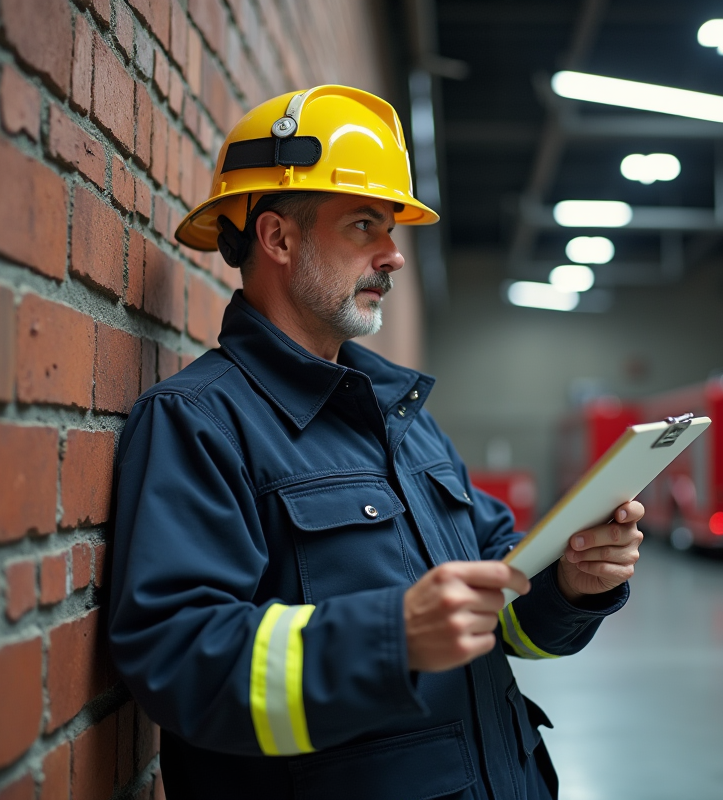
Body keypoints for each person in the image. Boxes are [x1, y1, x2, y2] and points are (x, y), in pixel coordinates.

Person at [108, 85, 644, 799]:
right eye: (365, 224)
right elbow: (179, 664)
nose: (394, 255)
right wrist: (390, 638)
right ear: (278, 238)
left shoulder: (403, 418)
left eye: (391, 228)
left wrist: (573, 584)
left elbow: (499, 601)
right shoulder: (198, 422)